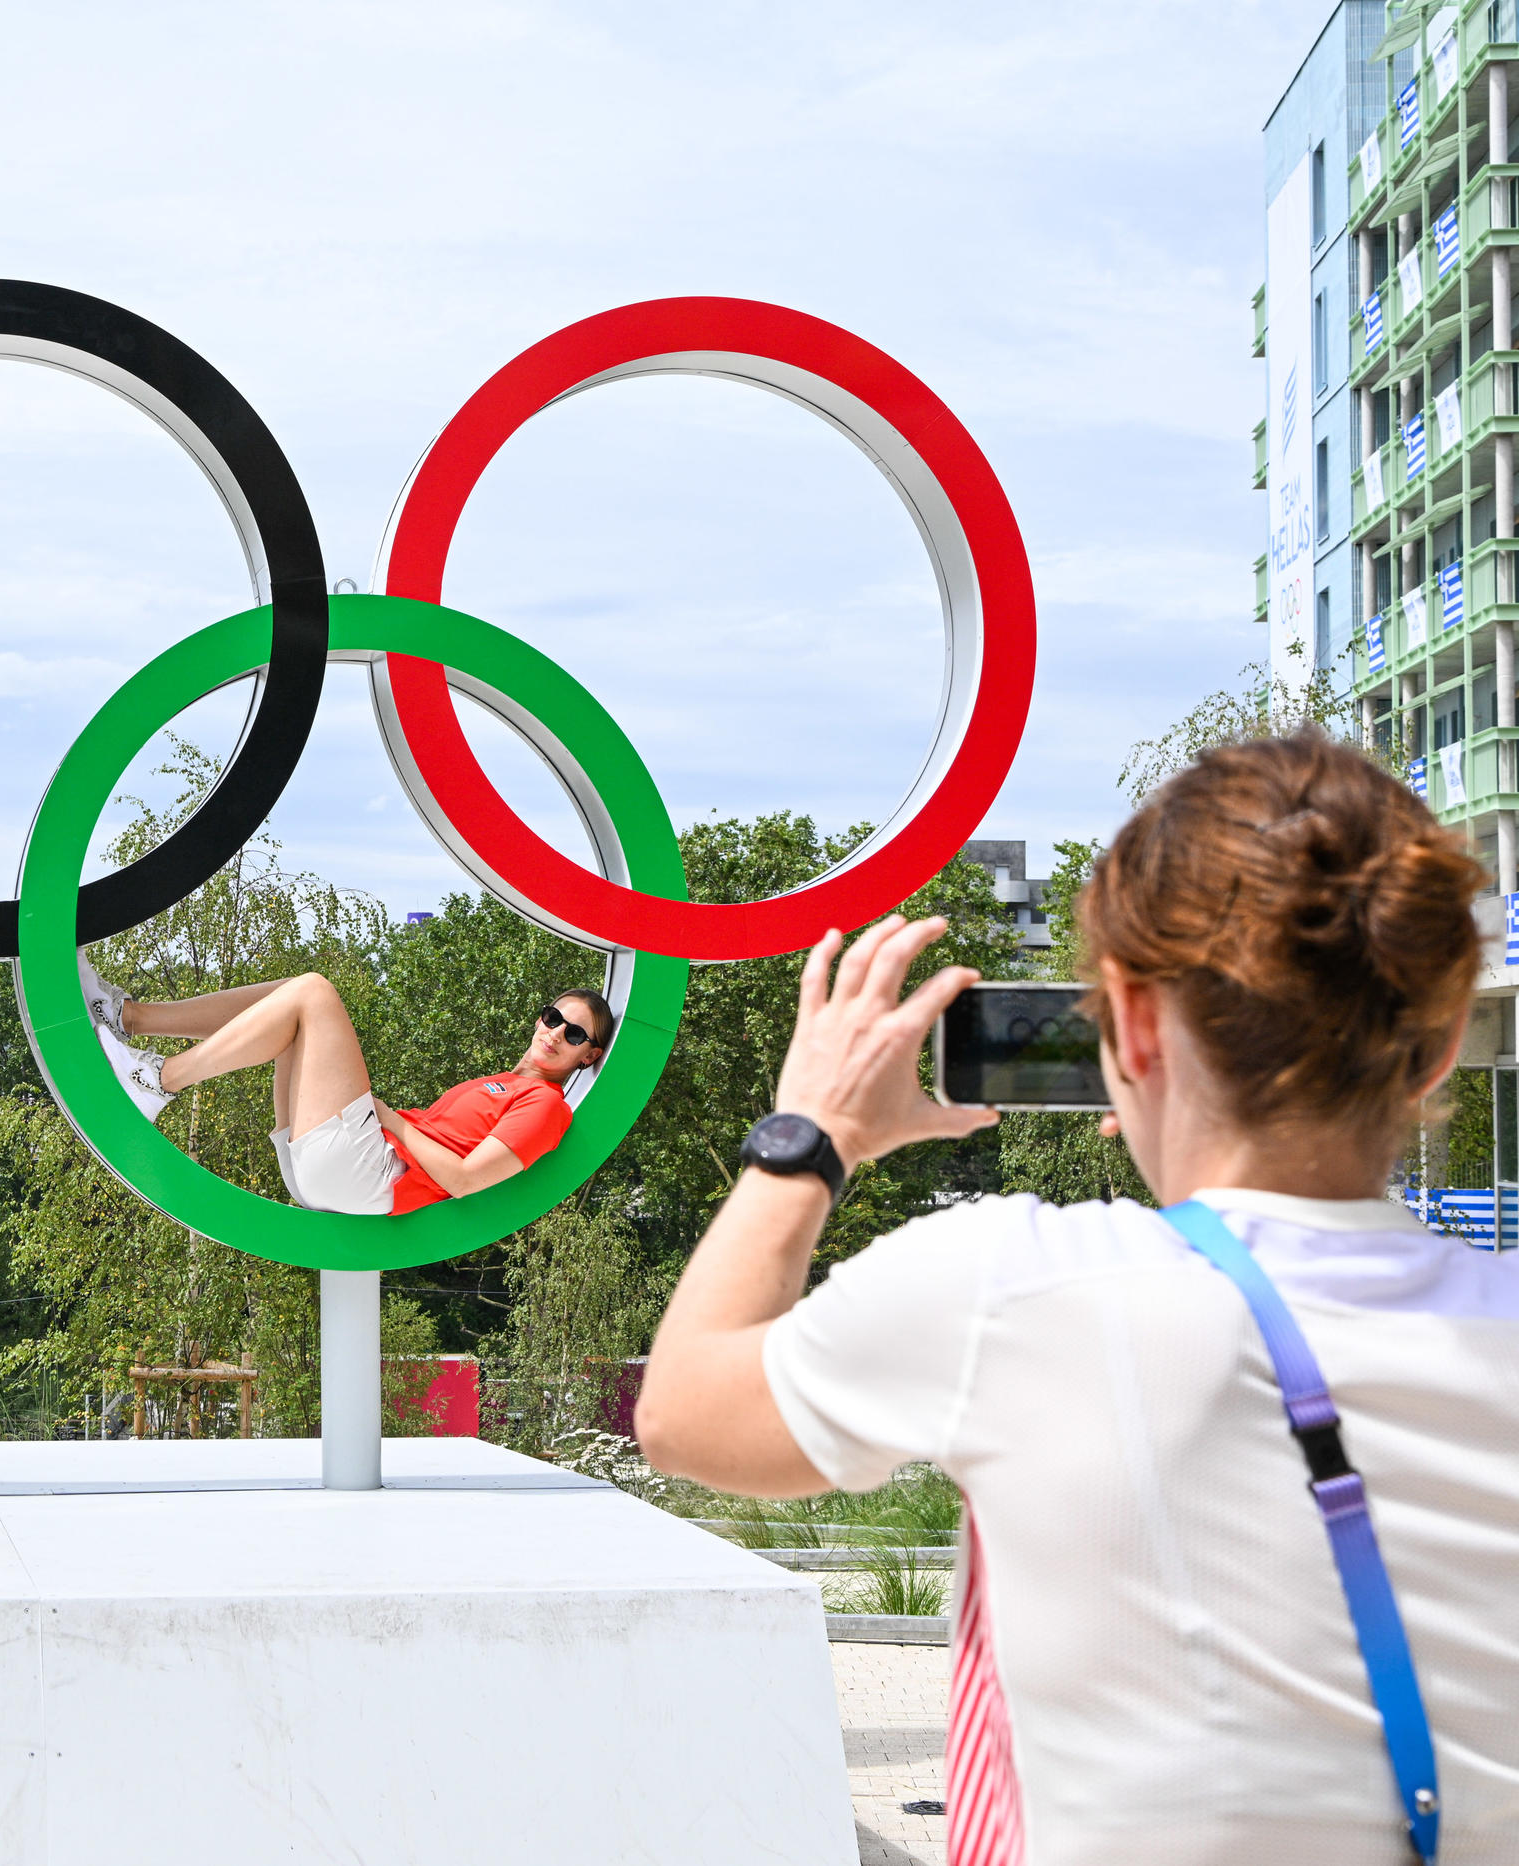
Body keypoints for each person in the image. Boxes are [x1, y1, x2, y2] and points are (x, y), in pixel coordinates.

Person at [635, 730, 1519, 1865]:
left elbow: (684, 1412)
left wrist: (811, 1133)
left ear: (1135, 1026)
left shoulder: (1018, 1290)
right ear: (1439, 1045)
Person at [85, 954, 612, 1214]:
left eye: (573, 1034)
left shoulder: (546, 1106)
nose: (554, 1034)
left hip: (372, 1176)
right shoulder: (503, 1082)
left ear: (587, 1056)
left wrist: (386, 1118)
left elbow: (468, 1180)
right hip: (345, 1170)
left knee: (314, 992)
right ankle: (126, 1016)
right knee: (294, 999)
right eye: (551, 1017)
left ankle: (156, 1082)